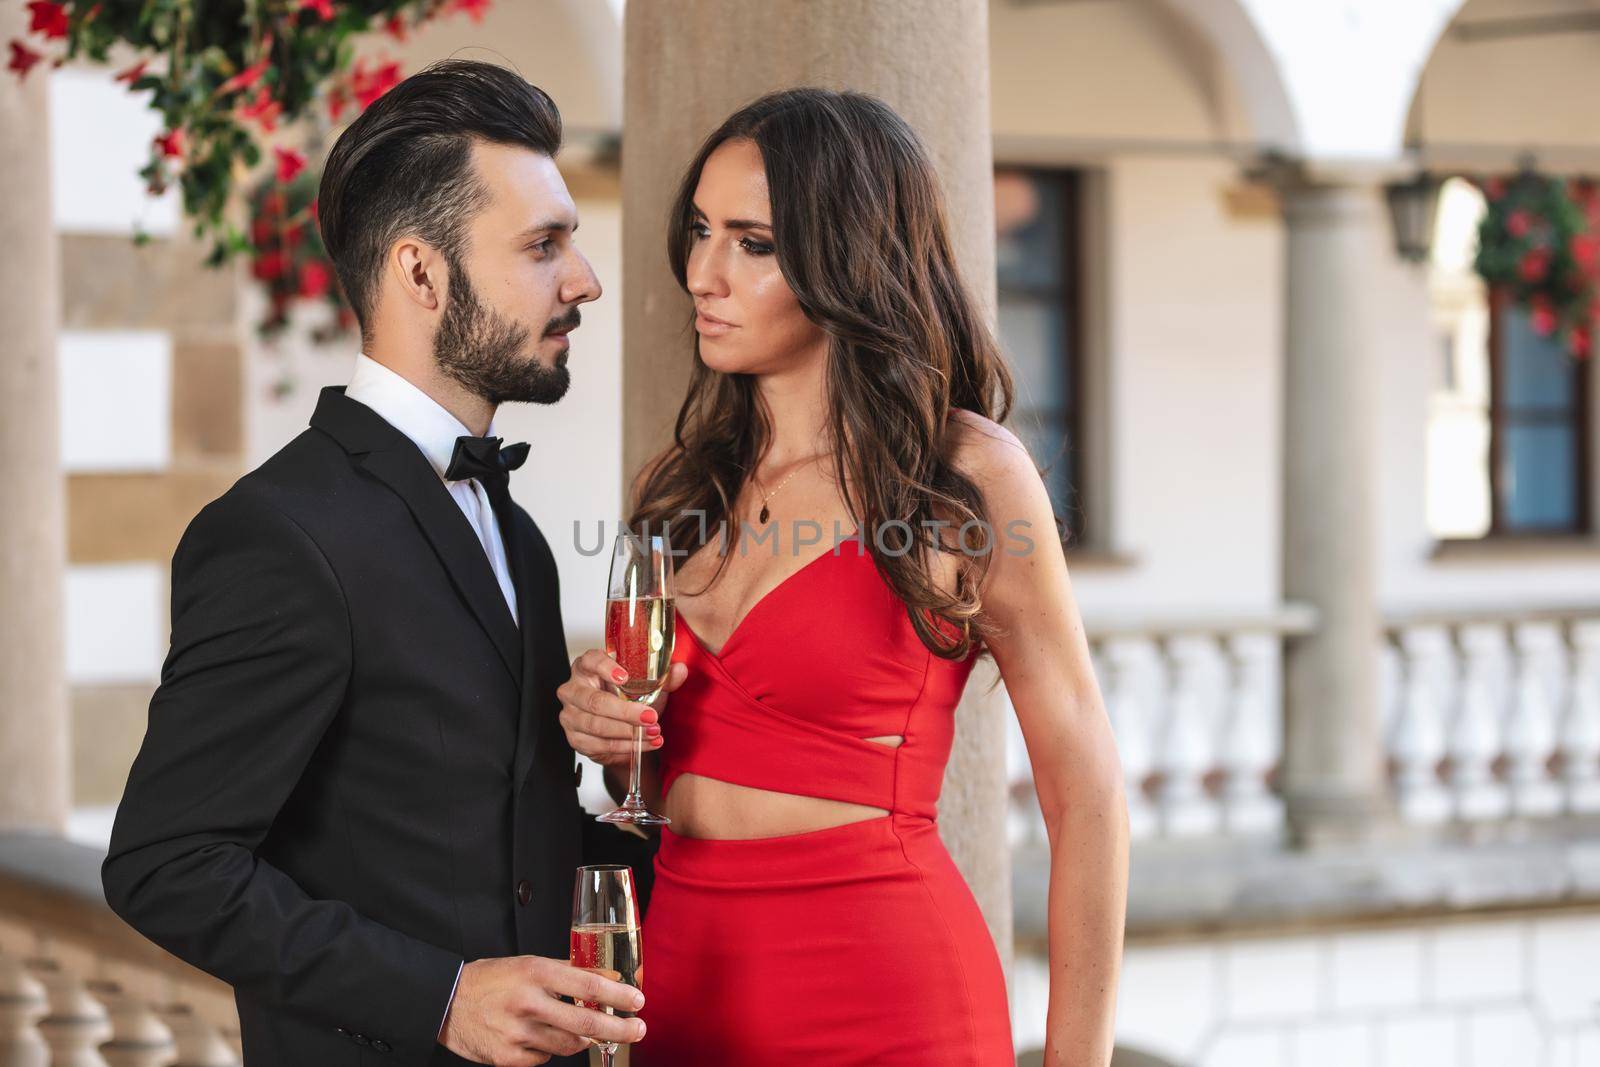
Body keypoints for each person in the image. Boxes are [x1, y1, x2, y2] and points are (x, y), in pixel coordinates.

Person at [102, 60, 673, 1067]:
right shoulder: (278, 532)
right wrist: (442, 997)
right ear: (421, 272)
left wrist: (725, 807)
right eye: (544, 245)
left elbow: (504, 846)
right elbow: (166, 863)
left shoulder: (519, 533)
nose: (583, 279)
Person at [559, 88, 1128, 1065]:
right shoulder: (678, 482)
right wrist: (607, 732)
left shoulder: (964, 475)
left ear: (846, 259)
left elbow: (1087, 796)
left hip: (880, 983)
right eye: (699, 231)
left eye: (753, 242)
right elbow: (652, 776)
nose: (702, 273)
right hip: (683, 974)